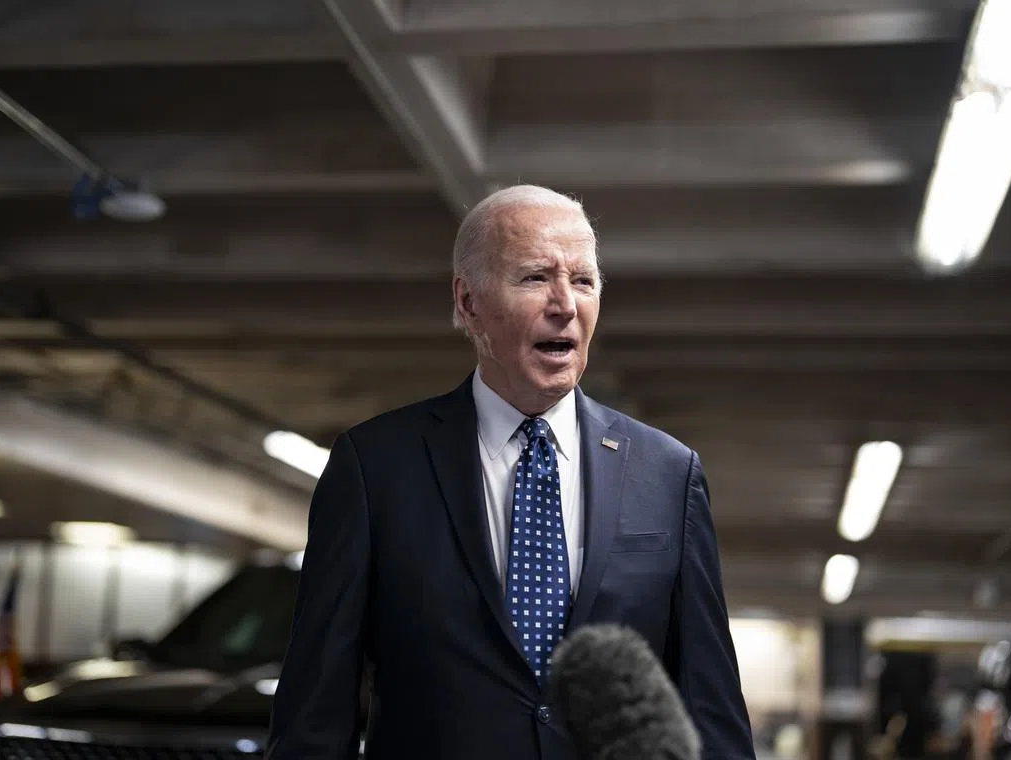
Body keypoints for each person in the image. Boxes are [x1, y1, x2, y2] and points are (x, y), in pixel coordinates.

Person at [266, 185, 755, 760]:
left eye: (583, 280)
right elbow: (315, 713)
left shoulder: (669, 475)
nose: (565, 304)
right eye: (534, 277)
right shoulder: (374, 468)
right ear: (469, 302)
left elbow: (712, 710)